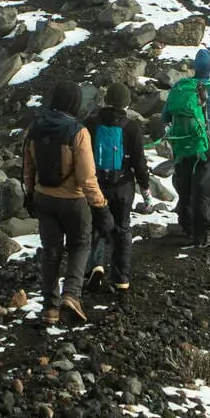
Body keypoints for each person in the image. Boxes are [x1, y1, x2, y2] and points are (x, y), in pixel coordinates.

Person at [25, 81, 105, 324]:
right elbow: (86, 177)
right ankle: (71, 295)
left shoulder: (35, 126)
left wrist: (29, 195)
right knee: (80, 244)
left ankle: (49, 307)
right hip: (73, 201)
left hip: (43, 197)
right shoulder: (78, 132)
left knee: (51, 250)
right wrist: (100, 206)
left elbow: (28, 167)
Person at [85, 81, 151, 291]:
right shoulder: (132, 127)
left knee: (96, 226)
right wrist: (145, 188)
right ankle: (121, 279)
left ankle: (95, 266)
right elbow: (139, 162)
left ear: (106, 100)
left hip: (96, 185)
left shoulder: (90, 124)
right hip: (123, 187)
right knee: (122, 229)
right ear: (127, 103)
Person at [164, 48, 210, 248]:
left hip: (181, 145)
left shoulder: (179, 87)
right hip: (204, 147)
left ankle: (186, 227)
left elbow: (166, 117)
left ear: (194, 67)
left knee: (183, 186)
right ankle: (201, 236)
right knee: (202, 189)